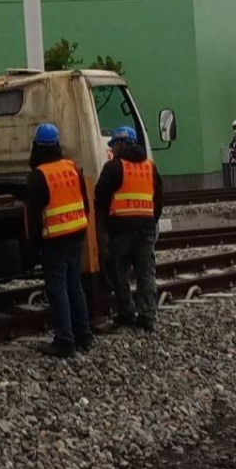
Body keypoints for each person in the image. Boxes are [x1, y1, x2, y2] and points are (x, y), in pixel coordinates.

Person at [25, 122, 93, 358]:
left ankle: (64, 340)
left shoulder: (38, 176)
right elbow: (85, 203)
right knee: (75, 286)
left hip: (55, 240)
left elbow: (32, 218)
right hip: (77, 233)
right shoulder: (72, 167)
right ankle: (83, 335)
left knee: (58, 289)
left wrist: (33, 247)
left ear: (37, 146)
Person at [94, 126, 164, 330]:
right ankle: (148, 315)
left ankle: (126, 311)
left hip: (121, 230)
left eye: (113, 145)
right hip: (146, 229)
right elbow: (159, 198)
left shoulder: (113, 167)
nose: (112, 149)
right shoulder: (150, 167)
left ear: (119, 144)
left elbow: (100, 196)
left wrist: (106, 224)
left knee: (119, 272)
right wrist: (151, 219)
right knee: (146, 273)